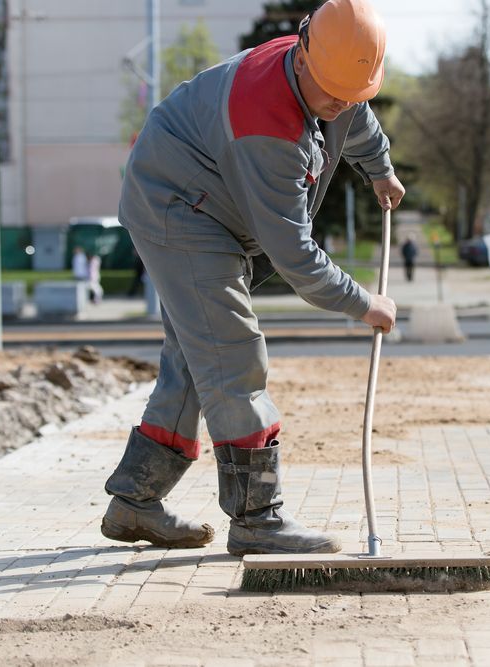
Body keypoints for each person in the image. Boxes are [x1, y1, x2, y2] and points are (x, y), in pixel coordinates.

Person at [101, 0, 404, 557]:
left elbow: (354, 114)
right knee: (233, 352)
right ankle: (257, 520)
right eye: (332, 92)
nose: (340, 105)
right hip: (179, 207)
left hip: (204, 199)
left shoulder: (329, 74)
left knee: (199, 355)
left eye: (353, 93)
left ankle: (134, 501)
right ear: (304, 54)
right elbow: (294, 254)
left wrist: (379, 167)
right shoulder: (265, 124)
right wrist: (365, 304)